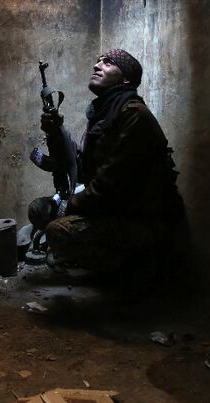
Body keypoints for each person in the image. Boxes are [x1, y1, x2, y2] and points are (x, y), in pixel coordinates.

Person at [28, 48, 185, 289]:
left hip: (144, 221)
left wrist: (68, 206)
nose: (97, 65)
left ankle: (135, 272)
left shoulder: (134, 116)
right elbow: (80, 167)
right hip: (114, 209)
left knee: (58, 231)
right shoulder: (104, 114)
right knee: (39, 210)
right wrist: (56, 131)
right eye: (98, 61)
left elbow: (109, 185)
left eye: (108, 62)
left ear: (125, 79)